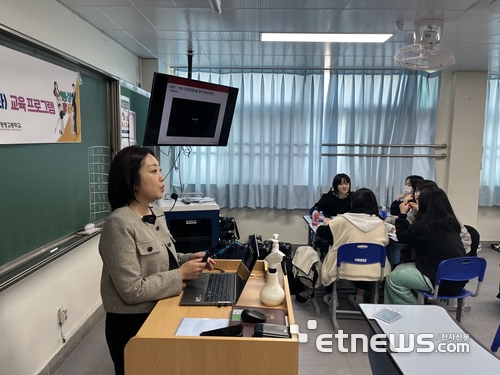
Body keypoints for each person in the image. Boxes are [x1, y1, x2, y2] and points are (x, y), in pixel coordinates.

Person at [99, 145, 215, 375]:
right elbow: (132, 290)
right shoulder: (119, 224)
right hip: (133, 324)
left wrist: (188, 258)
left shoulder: (155, 212)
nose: (162, 177)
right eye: (153, 171)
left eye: (160, 170)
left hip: (162, 307)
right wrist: (181, 274)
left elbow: (164, 258)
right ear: (132, 181)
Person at [384, 187, 467, 305]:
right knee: (400, 269)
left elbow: (402, 236)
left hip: (441, 280)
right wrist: (419, 215)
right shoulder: (450, 221)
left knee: (393, 279)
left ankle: (414, 313)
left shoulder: (424, 225)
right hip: (458, 276)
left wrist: (402, 214)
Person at [319, 188, 390, 310]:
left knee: (332, 254)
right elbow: (386, 241)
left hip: (344, 267)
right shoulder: (380, 223)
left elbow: (323, 232)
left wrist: (326, 224)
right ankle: (360, 298)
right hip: (375, 269)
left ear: (353, 202)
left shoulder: (344, 220)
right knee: (365, 256)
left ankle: (332, 297)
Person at [409, 179, 472, 254]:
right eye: (416, 191)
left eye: (422, 191)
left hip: (450, 254)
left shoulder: (444, 215)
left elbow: (464, 238)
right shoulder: (412, 211)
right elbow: (412, 232)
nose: (418, 194)